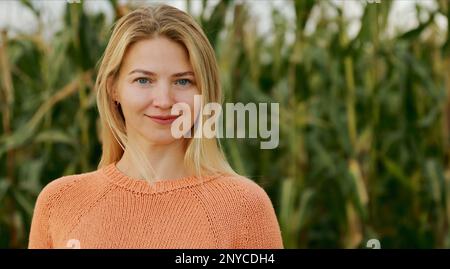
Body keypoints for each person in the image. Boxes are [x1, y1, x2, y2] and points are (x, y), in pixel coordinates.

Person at [28, 4, 283, 249]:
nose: (163, 101)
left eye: (183, 82)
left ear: (205, 92)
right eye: (143, 80)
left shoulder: (244, 208)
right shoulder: (60, 202)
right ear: (113, 88)